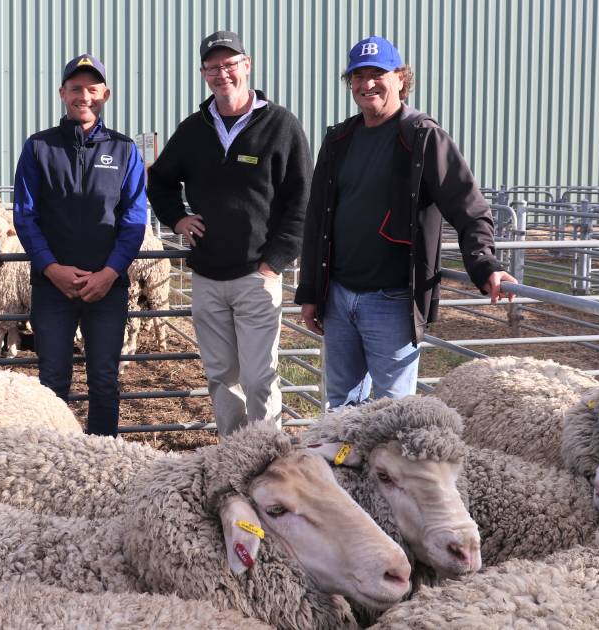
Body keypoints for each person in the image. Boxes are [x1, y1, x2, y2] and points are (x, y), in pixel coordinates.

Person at [294, 35, 518, 408]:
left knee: (394, 411)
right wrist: (311, 292)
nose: (367, 84)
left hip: (391, 299)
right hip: (338, 295)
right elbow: (317, 218)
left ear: (400, 77)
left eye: (377, 73)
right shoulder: (339, 140)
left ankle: (387, 469)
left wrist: (485, 264)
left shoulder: (422, 137)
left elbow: (469, 207)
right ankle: (345, 468)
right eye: (358, 76)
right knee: (340, 406)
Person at [147, 31, 312, 437]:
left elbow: (302, 200)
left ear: (247, 66)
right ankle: (233, 456)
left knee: (259, 377)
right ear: (204, 74)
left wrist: (275, 262)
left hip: (257, 276)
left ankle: (267, 454)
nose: (223, 73)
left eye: (230, 64)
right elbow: (160, 181)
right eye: (213, 67)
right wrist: (178, 219)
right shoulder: (194, 129)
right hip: (207, 274)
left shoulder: (281, 125)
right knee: (222, 377)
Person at [13, 54, 148, 437]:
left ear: (105, 94)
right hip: (52, 287)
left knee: (104, 379)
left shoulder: (124, 151)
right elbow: (25, 214)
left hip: (107, 288)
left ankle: (102, 462)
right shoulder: (39, 148)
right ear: (62, 93)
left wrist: (110, 273)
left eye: (92, 89)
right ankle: (52, 461)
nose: (83, 96)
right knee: (52, 381)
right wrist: (51, 268)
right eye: (75, 89)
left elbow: (134, 220)